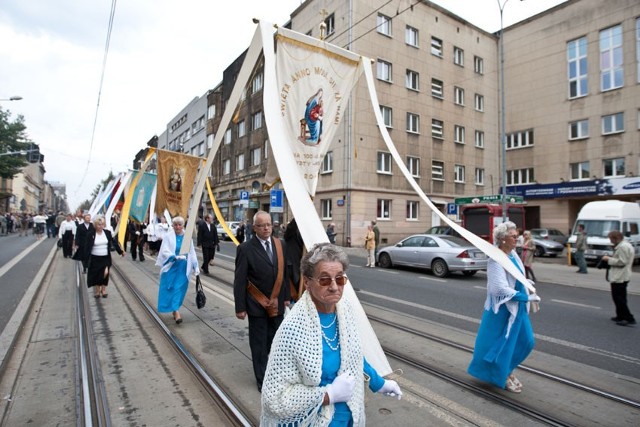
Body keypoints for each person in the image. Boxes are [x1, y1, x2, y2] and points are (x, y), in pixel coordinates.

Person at [261, 243, 402, 426]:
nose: (334, 287)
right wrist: (328, 395)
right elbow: (274, 399)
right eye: (325, 280)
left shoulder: (345, 312)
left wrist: (380, 383)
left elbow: (353, 356)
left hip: (349, 418)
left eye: (340, 279)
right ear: (307, 282)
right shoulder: (292, 329)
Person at [468, 221, 540, 393]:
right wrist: (525, 296)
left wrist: (528, 285)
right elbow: (498, 288)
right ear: (502, 239)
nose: (517, 238)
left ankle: (505, 370)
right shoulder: (495, 259)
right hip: (502, 310)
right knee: (503, 345)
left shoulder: (513, 255)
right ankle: (503, 374)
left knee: (527, 342)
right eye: (513, 236)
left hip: (518, 309)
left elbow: (518, 277)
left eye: (517, 235)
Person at [233, 210, 290, 392]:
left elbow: (284, 273)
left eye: (269, 224)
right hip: (256, 305)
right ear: (254, 228)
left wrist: (287, 297)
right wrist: (240, 307)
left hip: (277, 304)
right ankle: (263, 380)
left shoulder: (280, 245)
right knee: (259, 345)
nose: (266, 228)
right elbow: (240, 280)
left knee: (276, 343)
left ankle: (277, 375)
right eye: (262, 225)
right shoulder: (245, 249)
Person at [156, 216, 200, 324]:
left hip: (184, 268)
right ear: (173, 226)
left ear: (183, 225)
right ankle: (175, 311)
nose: (178, 227)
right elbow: (164, 250)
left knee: (179, 289)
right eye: (175, 225)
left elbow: (192, 252)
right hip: (172, 266)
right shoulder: (168, 236)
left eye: (180, 225)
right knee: (171, 288)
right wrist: (173, 256)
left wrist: (196, 266)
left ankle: (175, 309)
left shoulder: (187, 237)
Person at [84, 215, 124, 298]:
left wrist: (120, 252)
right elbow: (87, 247)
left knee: (105, 273)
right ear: (95, 225)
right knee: (97, 274)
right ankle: (98, 290)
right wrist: (85, 259)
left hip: (105, 257)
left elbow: (114, 243)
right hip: (95, 258)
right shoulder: (91, 234)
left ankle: (104, 289)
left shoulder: (107, 233)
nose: (100, 226)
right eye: (99, 224)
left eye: (102, 224)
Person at [601, 231, 636, 326]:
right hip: (621, 275)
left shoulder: (622, 247)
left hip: (620, 276)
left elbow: (622, 262)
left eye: (611, 239)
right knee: (618, 298)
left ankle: (628, 318)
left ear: (615, 238)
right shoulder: (624, 245)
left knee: (619, 298)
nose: (610, 241)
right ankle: (620, 316)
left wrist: (608, 259)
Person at [284, 218, 304, 302]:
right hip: (293, 263)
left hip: (295, 262)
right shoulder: (295, 231)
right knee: (294, 285)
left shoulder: (295, 230)